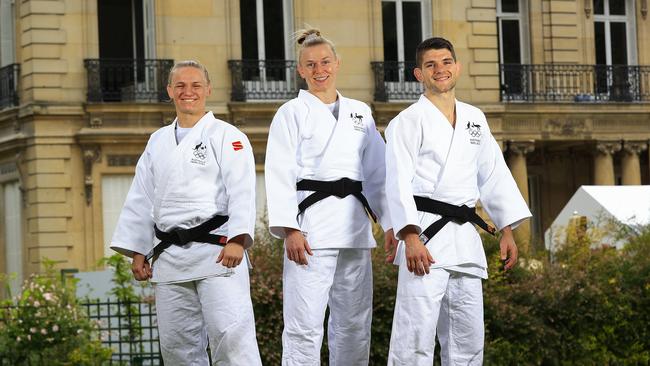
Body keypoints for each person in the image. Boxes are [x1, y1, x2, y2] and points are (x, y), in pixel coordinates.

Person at [384, 37, 532, 365]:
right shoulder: (406, 122)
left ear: (457, 67)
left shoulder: (475, 118)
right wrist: (408, 237)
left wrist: (507, 230)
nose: (440, 70)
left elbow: (493, 174)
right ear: (418, 74)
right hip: (425, 237)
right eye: (431, 65)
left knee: (468, 337)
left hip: (465, 239)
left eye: (446, 62)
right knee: (414, 336)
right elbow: (396, 182)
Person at [110, 60, 262, 366]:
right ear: (170, 91)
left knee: (231, 339)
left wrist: (238, 238)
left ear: (208, 90)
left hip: (218, 252)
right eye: (180, 86)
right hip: (169, 258)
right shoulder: (157, 141)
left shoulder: (227, 135)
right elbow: (142, 197)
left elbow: (243, 190)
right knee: (177, 347)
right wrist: (139, 251)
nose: (187, 92)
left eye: (195, 85)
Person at [265, 29, 395, 365]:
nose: (319, 69)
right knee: (304, 324)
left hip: (353, 228)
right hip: (310, 230)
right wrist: (288, 229)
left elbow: (378, 174)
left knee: (354, 323)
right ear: (301, 71)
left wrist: (393, 224)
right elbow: (279, 173)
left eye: (325, 61)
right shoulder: (291, 112)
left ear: (337, 64)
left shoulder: (360, 112)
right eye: (311, 64)